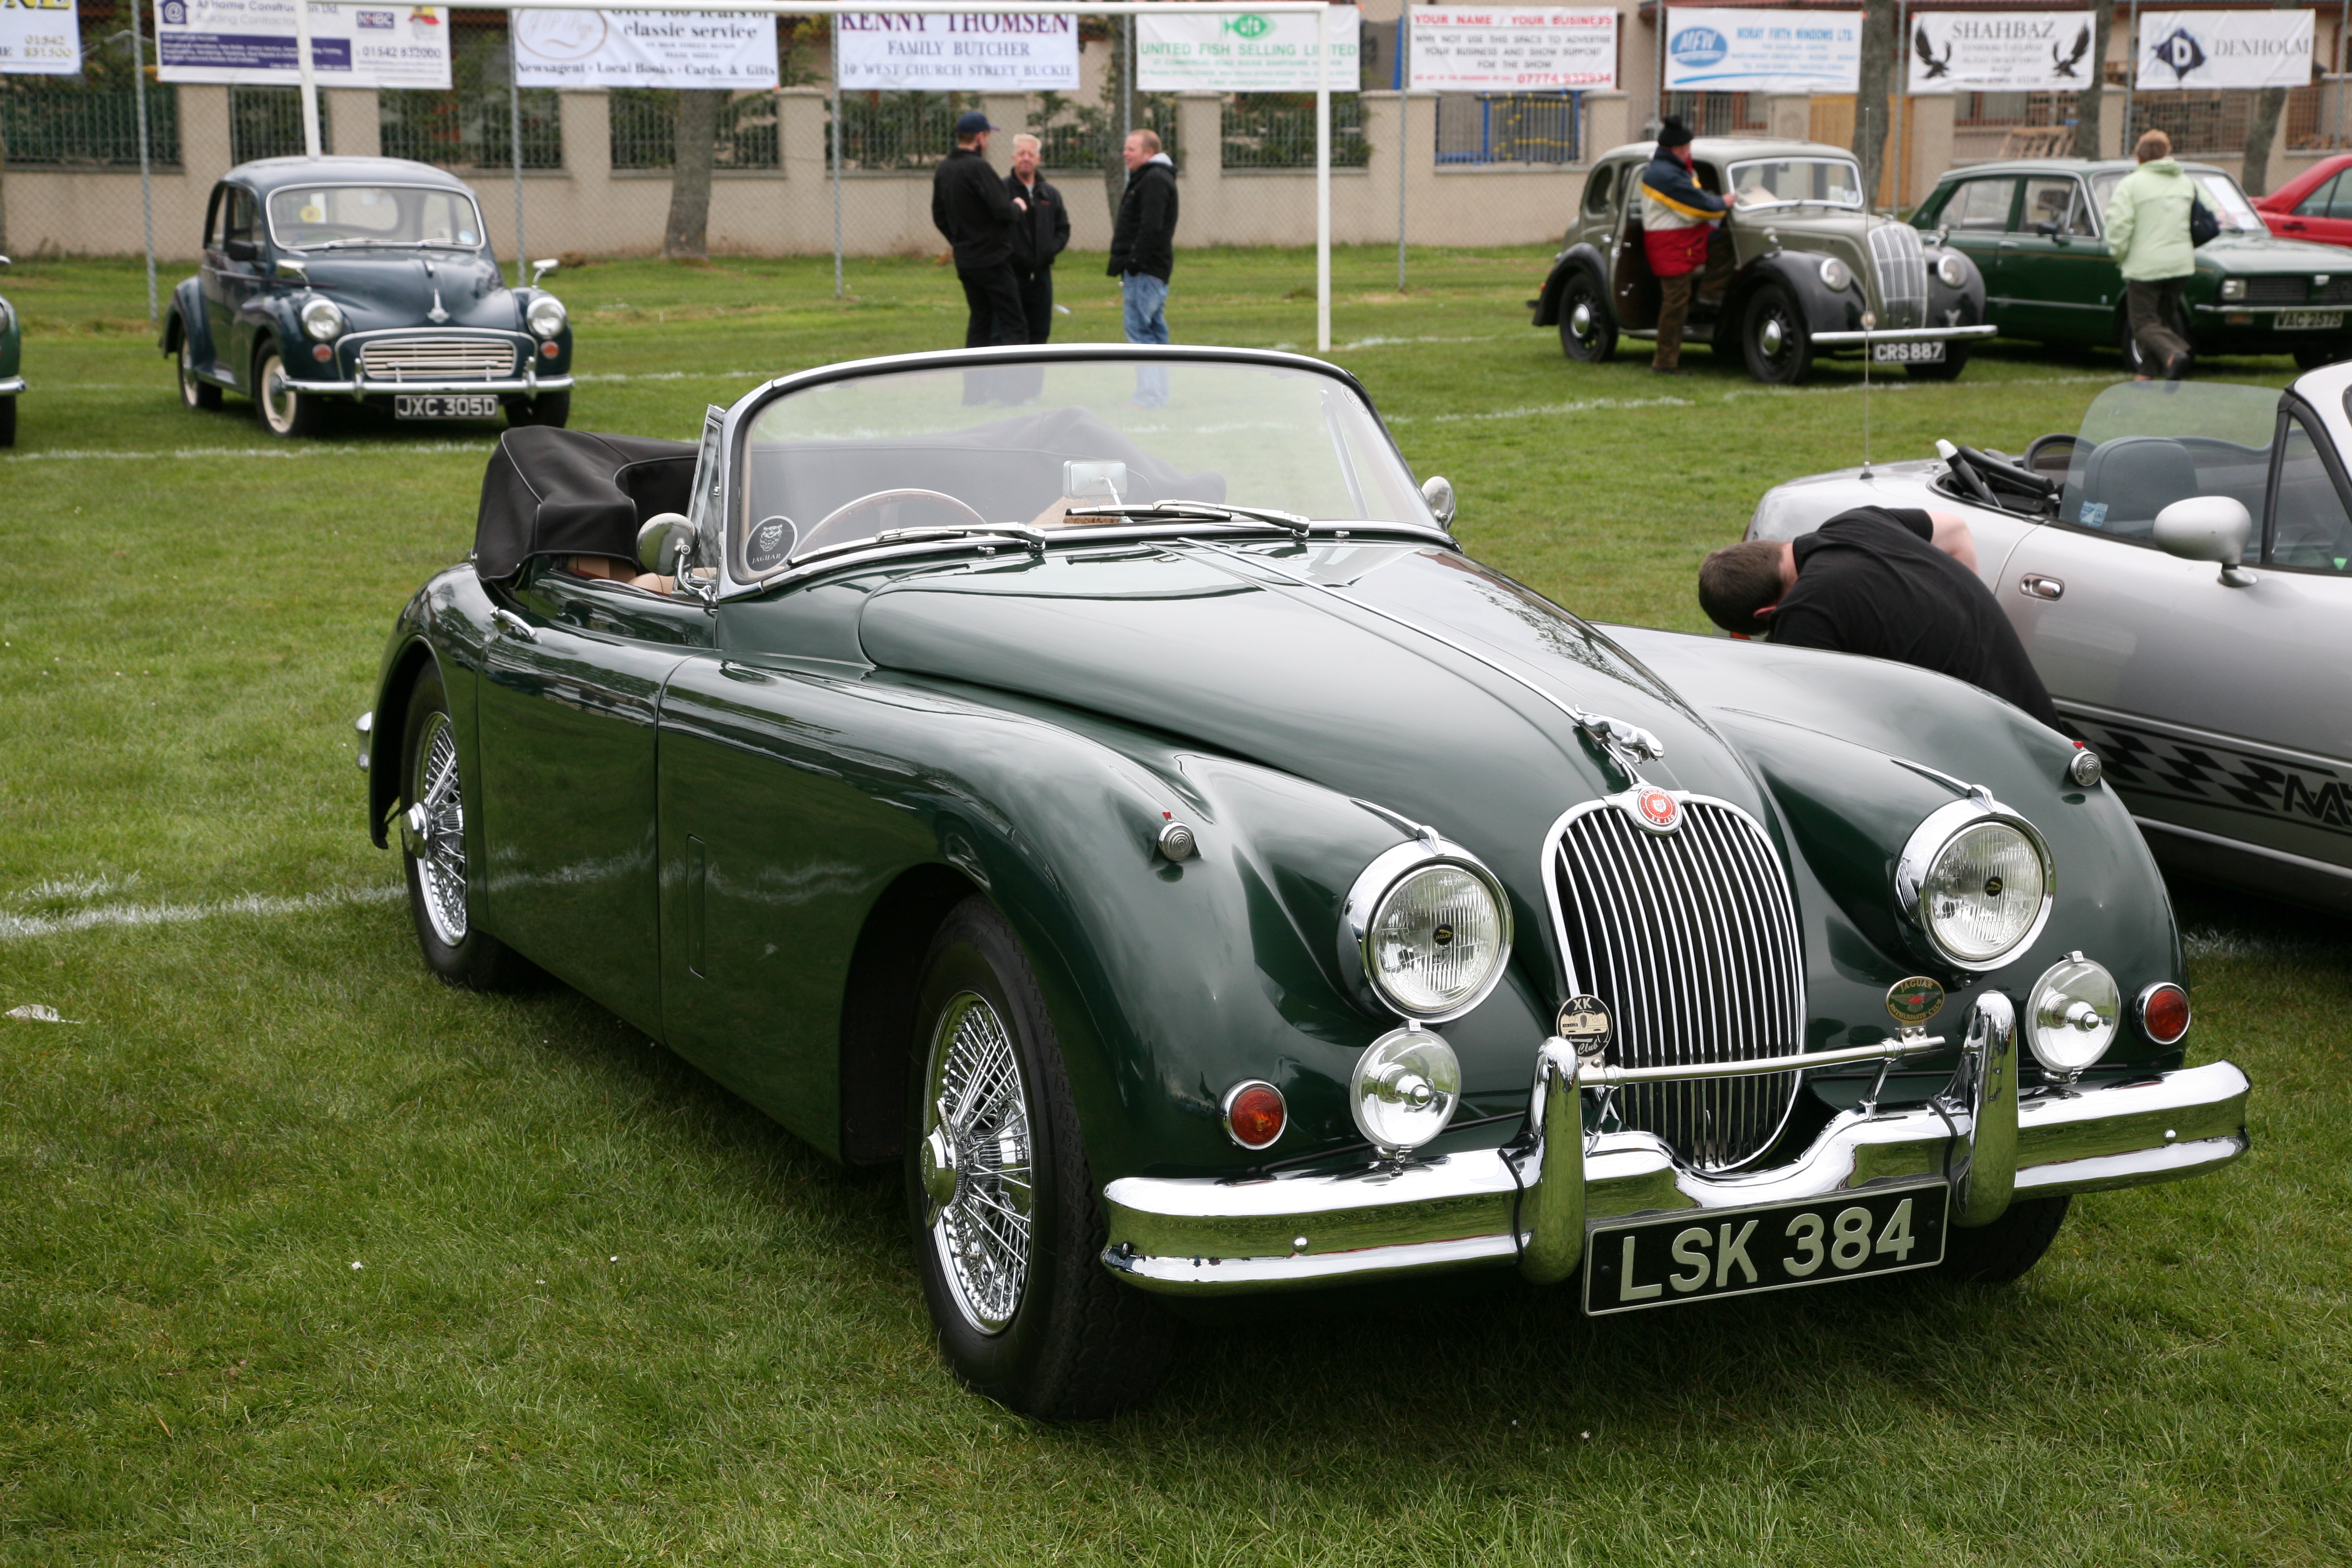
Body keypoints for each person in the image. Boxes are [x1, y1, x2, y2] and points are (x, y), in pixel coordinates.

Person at [1697, 506, 2063, 729]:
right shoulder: (1858, 523)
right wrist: (1959, 611)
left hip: (1994, 756)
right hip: (2036, 718)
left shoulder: (1804, 616)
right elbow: (1956, 531)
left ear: (1768, 614)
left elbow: (1820, 731)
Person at [1639, 116, 1735, 376]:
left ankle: (1709, 296)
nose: (1688, 153)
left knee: (1724, 244)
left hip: (1684, 239)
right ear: (1675, 150)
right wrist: (1723, 202)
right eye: (1685, 149)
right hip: (1671, 244)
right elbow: (1697, 207)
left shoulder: (1674, 169)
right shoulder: (1664, 175)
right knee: (1675, 302)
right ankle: (1665, 362)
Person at [2104, 129, 2197, 381]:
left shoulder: (2131, 184)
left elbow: (2119, 225)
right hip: (2180, 265)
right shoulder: (2186, 182)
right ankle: (2145, 380)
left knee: (2143, 325)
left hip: (2146, 267)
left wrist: (2119, 254)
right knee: (2160, 324)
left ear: (2139, 158)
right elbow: (2211, 213)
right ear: (2167, 153)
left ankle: (2175, 353)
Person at [931, 110, 1028, 348]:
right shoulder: (978, 168)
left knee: (980, 321)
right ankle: (1018, 380)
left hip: (966, 259)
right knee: (1013, 323)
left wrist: (959, 240)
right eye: (987, 135)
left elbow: (939, 215)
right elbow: (1002, 210)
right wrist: (1017, 207)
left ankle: (975, 383)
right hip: (992, 259)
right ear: (980, 138)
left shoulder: (945, 169)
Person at [1109, 128, 1179, 404]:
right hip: (1153, 269)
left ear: (1149, 153)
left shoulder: (1154, 180)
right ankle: (1159, 392)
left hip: (1147, 271)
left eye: (1131, 149)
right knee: (1155, 332)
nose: (1125, 154)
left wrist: (1135, 262)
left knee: (1141, 333)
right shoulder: (1152, 178)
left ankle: (1150, 395)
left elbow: (1151, 226)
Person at [1005, 133, 1070, 344]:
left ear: (1038, 159)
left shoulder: (1049, 194)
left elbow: (1063, 228)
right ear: (1013, 157)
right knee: (1011, 336)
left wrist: (1049, 250)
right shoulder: (1002, 191)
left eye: (1031, 154)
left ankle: (1035, 378)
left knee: (1040, 335)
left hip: (1041, 276)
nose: (1026, 158)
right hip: (1012, 276)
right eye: (1021, 153)